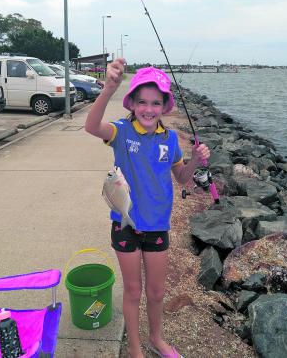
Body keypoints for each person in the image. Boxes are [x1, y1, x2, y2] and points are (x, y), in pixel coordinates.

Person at [85, 58, 210, 358]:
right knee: (132, 291)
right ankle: (134, 346)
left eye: (156, 103)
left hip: (157, 227)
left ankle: (157, 338)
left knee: (155, 292)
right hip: (125, 225)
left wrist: (196, 161)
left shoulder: (170, 138)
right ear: (132, 104)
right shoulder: (121, 132)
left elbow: (181, 178)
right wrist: (109, 88)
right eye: (142, 101)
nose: (148, 109)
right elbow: (91, 126)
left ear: (164, 105)